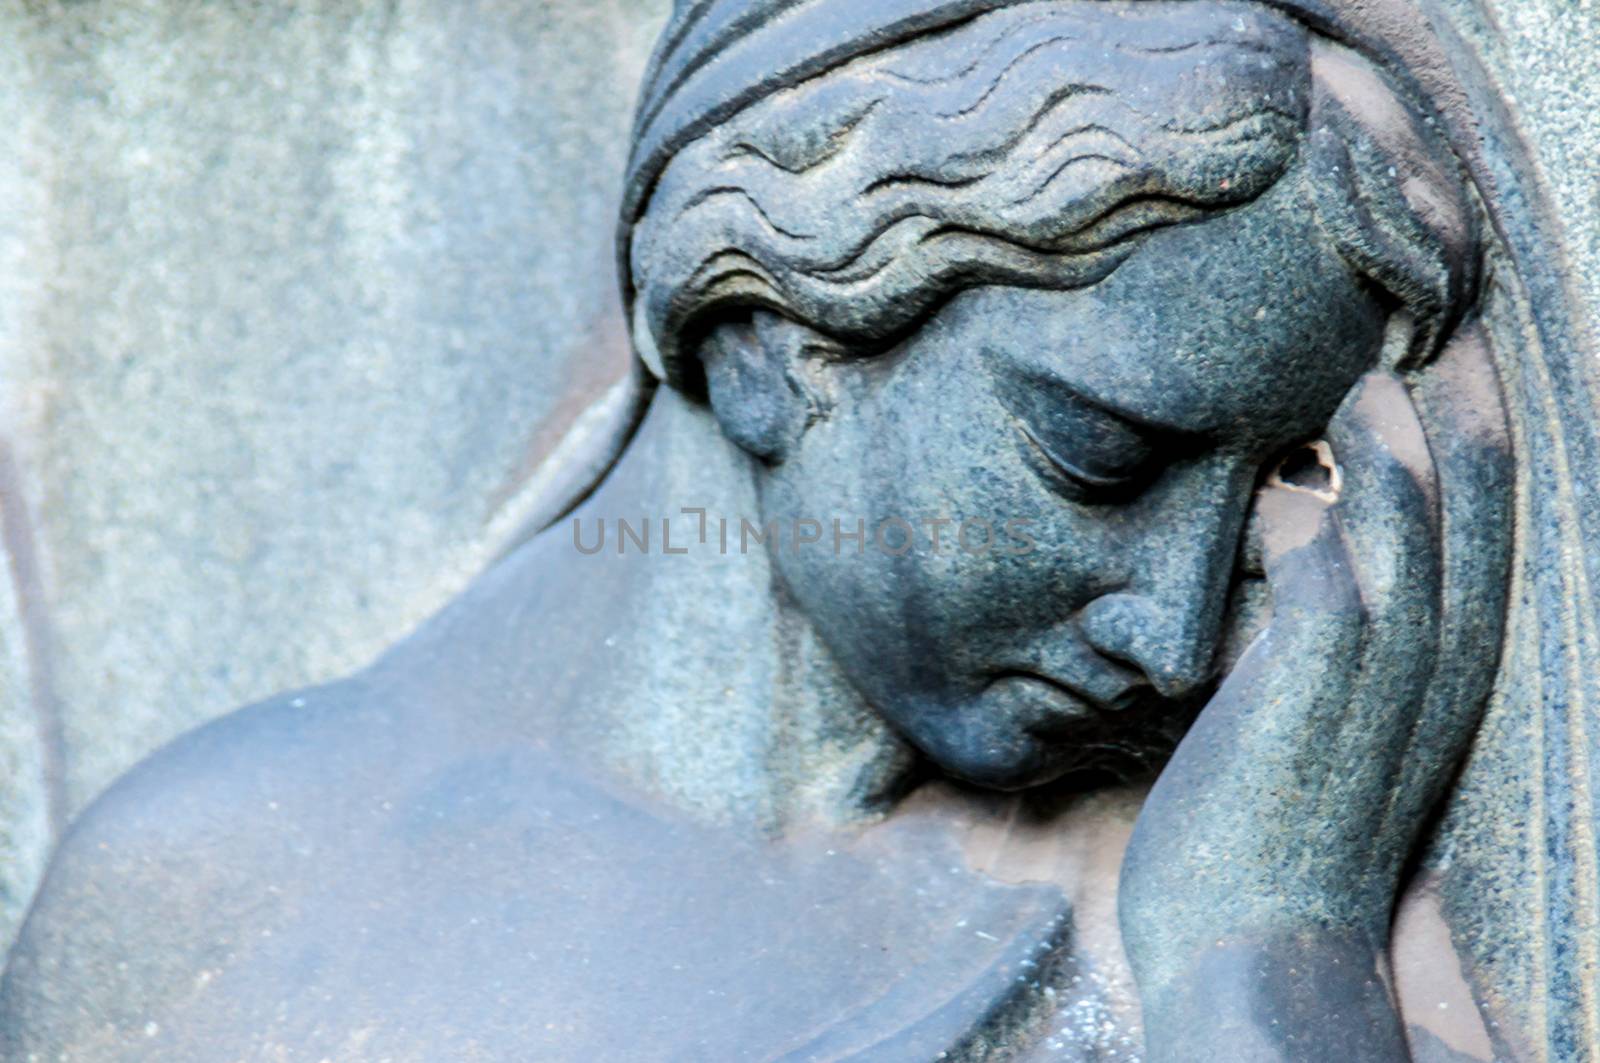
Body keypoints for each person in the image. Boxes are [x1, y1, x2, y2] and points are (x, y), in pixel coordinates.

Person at [3, 1, 1594, 1060]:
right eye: (1099, 458)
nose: (1178, 634)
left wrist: (1263, 963)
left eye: (1262, 503)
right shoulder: (222, 898)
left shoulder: (1213, 888)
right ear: (771, 334)